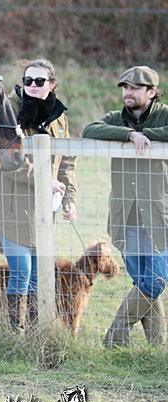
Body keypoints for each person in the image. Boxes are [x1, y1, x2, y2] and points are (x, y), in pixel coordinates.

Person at [0, 59, 77, 332]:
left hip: (44, 210)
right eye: (28, 81)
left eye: (40, 81)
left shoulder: (60, 118)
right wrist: (43, 181)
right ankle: (13, 334)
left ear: (52, 85)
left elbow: (67, 162)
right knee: (22, 271)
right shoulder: (9, 111)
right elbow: (5, 157)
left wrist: (69, 198)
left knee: (40, 276)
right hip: (12, 205)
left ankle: (38, 336)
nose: (33, 86)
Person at [83, 65, 167, 347]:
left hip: (159, 217)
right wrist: (129, 135)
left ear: (152, 92)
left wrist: (148, 136)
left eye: (134, 88)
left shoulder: (164, 114)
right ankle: (158, 346)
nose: (127, 93)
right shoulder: (116, 118)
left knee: (154, 280)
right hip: (127, 216)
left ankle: (116, 334)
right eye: (125, 88)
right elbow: (90, 129)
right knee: (143, 283)